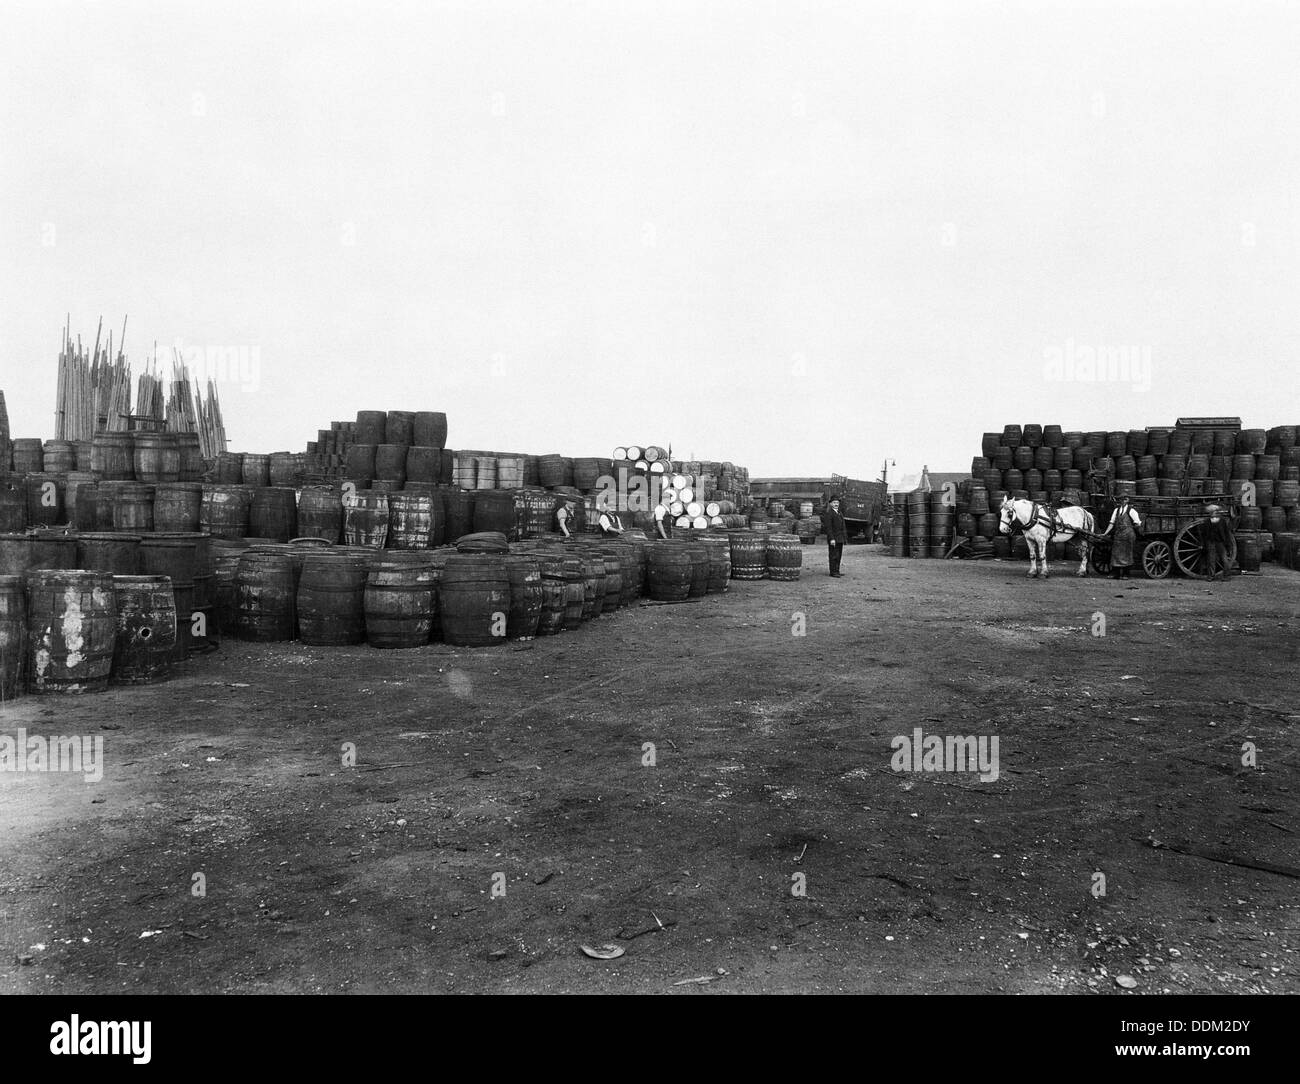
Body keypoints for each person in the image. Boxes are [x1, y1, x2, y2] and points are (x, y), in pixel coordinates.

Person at [1103, 495, 1141, 579]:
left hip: (1128, 535)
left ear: (1128, 500)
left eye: (1125, 499)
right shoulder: (1116, 510)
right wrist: (1105, 533)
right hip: (1118, 534)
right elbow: (1112, 523)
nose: (1123, 501)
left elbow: (1137, 523)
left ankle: (1126, 573)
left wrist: (1133, 527)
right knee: (1115, 552)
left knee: (1127, 553)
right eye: (1121, 499)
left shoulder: (1132, 511)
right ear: (1119, 500)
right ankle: (1115, 572)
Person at [1201, 504, 1234, 580]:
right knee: (1211, 559)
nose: (1213, 513)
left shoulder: (1222, 521)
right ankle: (1211, 576)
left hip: (1220, 542)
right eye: (1212, 512)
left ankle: (1226, 576)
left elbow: (1226, 533)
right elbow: (1204, 534)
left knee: (1224, 559)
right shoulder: (1207, 522)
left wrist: (1228, 543)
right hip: (1211, 542)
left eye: (1215, 511)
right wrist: (1204, 543)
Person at [823, 497, 848, 577]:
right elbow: (828, 527)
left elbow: (842, 526)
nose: (836, 504)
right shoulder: (829, 513)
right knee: (833, 555)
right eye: (834, 502)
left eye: (837, 502)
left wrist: (844, 538)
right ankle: (833, 572)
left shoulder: (839, 513)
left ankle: (837, 570)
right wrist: (832, 539)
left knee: (839, 555)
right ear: (830, 504)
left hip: (840, 538)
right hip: (834, 538)